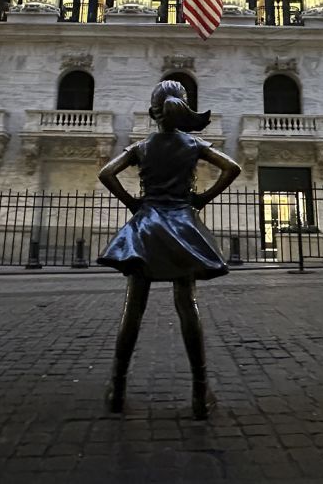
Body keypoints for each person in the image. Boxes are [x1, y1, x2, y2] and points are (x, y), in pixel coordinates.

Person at [97, 80, 242, 419]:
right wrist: (204, 197)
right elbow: (232, 168)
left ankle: (117, 387)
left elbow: (106, 173)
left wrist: (133, 203)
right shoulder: (192, 143)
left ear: (153, 112)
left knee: (134, 307)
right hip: (182, 223)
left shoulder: (142, 147)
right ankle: (199, 391)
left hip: (147, 225)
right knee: (187, 305)